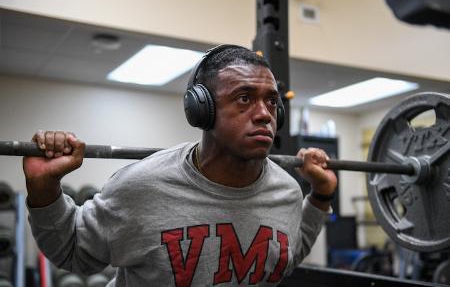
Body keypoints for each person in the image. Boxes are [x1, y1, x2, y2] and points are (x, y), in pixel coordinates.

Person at [23, 45, 337, 286]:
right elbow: (73, 252)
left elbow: (286, 258)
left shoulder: (287, 191)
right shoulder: (141, 186)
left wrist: (320, 196)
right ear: (202, 109)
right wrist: (43, 188)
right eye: (244, 98)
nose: (264, 114)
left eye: (271, 102)